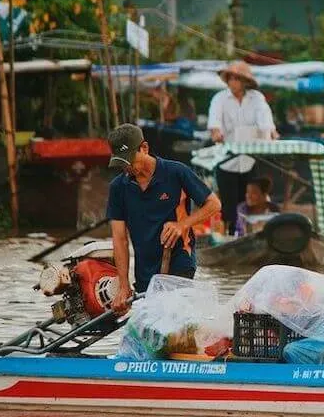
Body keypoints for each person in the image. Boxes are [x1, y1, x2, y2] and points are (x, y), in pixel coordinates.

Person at [105, 123, 222, 314]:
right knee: (152, 323)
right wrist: (124, 285)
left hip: (179, 258)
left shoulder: (176, 172)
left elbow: (214, 204)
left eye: (129, 160)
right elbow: (119, 239)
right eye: (121, 163)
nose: (126, 167)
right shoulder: (118, 188)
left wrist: (182, 225)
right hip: (145, 269)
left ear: (144, 148)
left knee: (174, 316)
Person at [207, 60, 278, 234]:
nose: (233, 82)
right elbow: (214, 125)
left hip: (250, 159)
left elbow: (266, 124)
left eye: (236, 79)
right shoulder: (219, 99)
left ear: (245, 82)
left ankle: (252, 232)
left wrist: (271, 133)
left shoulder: (257, 99)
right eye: (230, 78)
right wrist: (216, 133)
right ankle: (231, 234)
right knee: (229, 206)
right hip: (227, 160)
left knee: (251, 201)